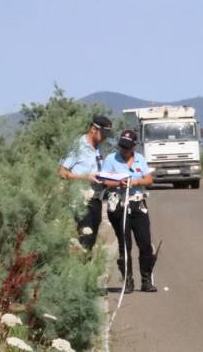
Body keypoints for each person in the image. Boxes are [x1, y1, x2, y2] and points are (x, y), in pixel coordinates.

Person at [100, 129, 158, 293]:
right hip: (119, 205)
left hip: (138, 204)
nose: (124, 150)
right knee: (125, 244)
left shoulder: (140, 159)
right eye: (122, 147)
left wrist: (135, 181)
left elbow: (149, 179)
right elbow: (104, 180)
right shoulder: (111, 159)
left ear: (133, 146)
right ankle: (128, 281)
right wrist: (119, 183)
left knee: (145, 243)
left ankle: (146, 280)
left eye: (127, 147)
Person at [59, 115, 113, 250]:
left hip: (96, 197)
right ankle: (79, 266)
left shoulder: (100, 147)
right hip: (80, 198)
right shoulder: (78, 146)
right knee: (86, 233)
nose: (105, 137)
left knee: (92, 236)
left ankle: (85, 264)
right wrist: (85, 177)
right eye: (103, 133)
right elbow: (62, 172)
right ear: (93, 129)